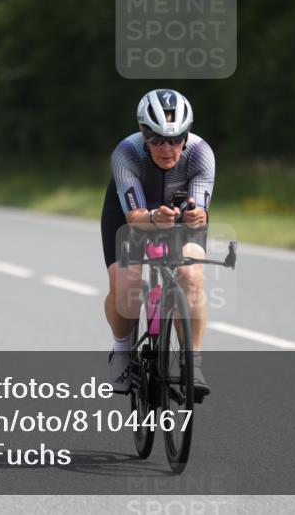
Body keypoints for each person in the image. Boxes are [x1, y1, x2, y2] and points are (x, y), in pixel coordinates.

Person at [101, 89, 215, 400]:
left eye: (176, 138)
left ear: (186, 134)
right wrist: (153, 216)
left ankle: (192, 360)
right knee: (127, 283)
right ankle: (122, 351)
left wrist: (196, 217)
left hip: (179, 216)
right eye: (157, 140)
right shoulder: (126, 153)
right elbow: (135, 216)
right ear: (143, 133)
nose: (168, 148)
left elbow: (202, 211)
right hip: (132, 215)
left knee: (191, 277)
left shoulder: (201, 153)